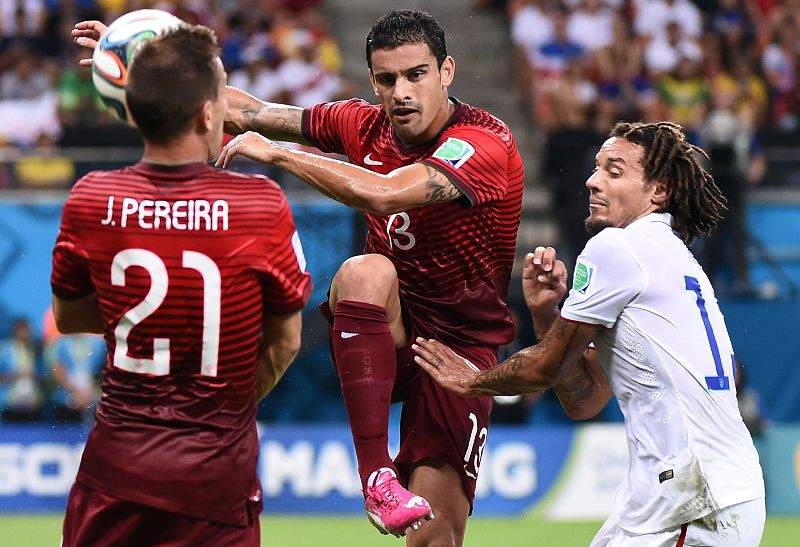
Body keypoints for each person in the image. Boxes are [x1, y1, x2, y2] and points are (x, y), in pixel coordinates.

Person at [216, 9, 523, 543]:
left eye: (416, 75)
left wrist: (282, 158)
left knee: (435, 536)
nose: (401, 91)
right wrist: (142, 62)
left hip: (460, 352)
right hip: (389, 322)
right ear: (373, 82)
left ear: (446, 71)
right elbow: (255, 111)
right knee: (365, 270)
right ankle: (376, 475)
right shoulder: (363, 123)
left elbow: (383, 191)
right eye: (387, 80)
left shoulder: (483, 144)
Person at [415, 121, 766, 546]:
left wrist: (470, 381)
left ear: (659, 191)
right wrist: (547, 313)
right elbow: (585, 399)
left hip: (691, 498)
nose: (592, 181)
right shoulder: (669, 254)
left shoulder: (619, 247)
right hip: (690, 493)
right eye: (597, 168)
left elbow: (546, 367)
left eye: (614, 172)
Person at [54, 25, 311, 546]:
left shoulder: (91, 198)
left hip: (115, 473)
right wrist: (222, 406)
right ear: (206, 113)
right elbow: (284, 344)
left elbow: (70, 318)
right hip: (217, 481)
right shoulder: (261, 206)